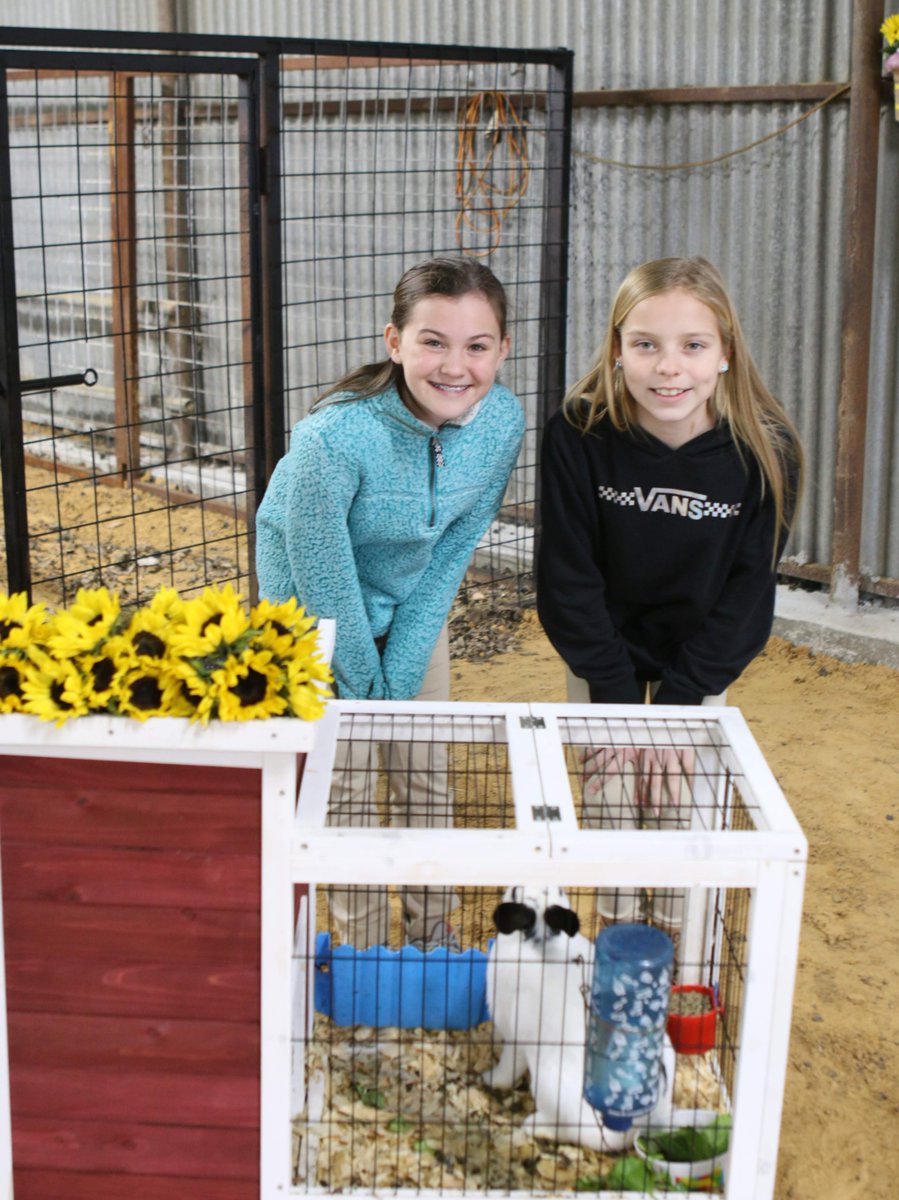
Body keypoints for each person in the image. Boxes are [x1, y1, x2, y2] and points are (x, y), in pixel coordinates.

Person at [256, 256, 524, 949]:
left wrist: (400, 668)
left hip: (410, 605)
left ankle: (428, 942)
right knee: (340, 790)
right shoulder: (332, 438)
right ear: (394, 340)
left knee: (421, 769)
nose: (454, 365)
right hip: (308, 614)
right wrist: (361, 686)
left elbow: (455, 545)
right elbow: (318, 566)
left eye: (476, 345)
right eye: (432, 340)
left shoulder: (502, 422)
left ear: (503, 348)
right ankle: (364, 955)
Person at [537, 255, 802, 928]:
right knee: (611, 798)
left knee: (682, 805)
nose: (667, 367)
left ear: (724, 354)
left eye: (692, 345)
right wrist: (621, 710)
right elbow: (567, 582)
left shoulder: (764, 450)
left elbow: (746, 597)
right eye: (645, 344)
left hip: (698, 656)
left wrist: (678, 714)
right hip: (602, 654)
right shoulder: (577, 433)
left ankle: (682, 954)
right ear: (617, 350)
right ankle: (618, 939)